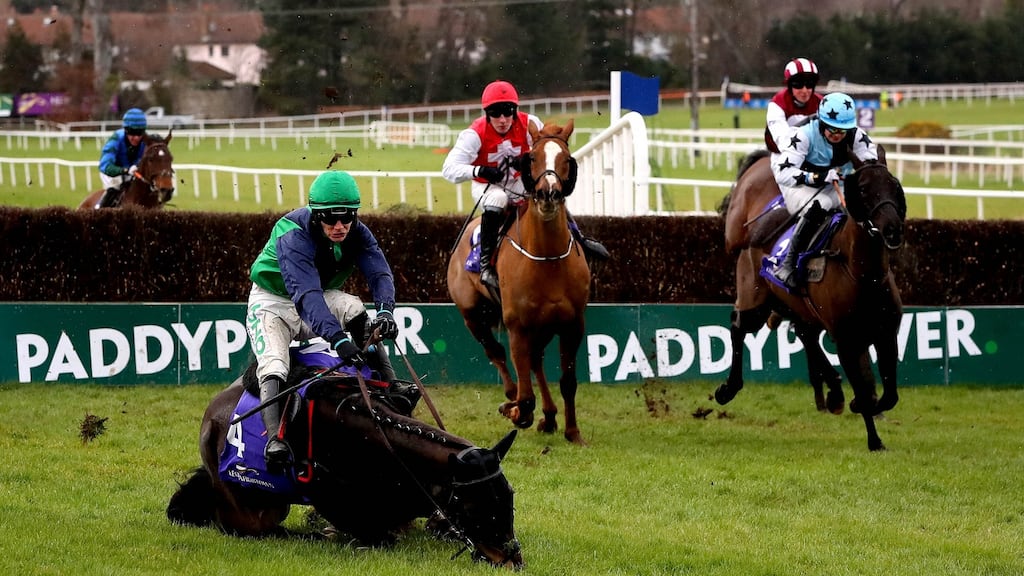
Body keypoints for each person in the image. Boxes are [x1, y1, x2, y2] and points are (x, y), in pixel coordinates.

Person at [245, 170, 401, 470]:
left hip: (316, 297)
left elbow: (379, 273)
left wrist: (385, 312)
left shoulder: (358, 231)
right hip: (272, 303)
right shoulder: (292, 234)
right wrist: (339, 341)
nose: (340, 227)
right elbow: (307, 296)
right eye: (331, 219)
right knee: (276, 362)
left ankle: (390, 386)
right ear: (316, 216)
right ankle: (275, 439)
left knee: (354, 307)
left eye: (347, 218)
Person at [441, 80, 609, 291]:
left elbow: (548, 145)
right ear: (487, 114)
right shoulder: (474, 134)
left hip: (521, 183)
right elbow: (448, 169)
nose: (502, 119)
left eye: (508, 112)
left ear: (515, 110)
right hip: (488, 186)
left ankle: (580, 238)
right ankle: (485, 265)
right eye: (495, 113)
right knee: (498, 199)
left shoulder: (531, 122)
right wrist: (479, 170)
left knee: (548, 189)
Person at [770, 91, 878, 290]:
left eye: (842, 131)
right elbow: (783, 174)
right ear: (821, 122)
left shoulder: (856, 136)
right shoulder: (802, 135)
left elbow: (872, 164)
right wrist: (816, 177)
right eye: (832, 129)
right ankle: (788, 264)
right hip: (798, 185)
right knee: (822, 204)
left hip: (835, 183)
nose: (837, 135)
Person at [764, 58, 823, 153]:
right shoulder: (777, 103)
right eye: (798, 84)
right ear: (789, 85)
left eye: (809, 84)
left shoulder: (822, 103)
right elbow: (782, 139)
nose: (804, 90)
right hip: (783, 153)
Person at [96, 108, 149, 208]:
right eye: (132, 132)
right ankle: (99, 210)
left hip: (133, 171)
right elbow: (105, 166)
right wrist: (125, 170)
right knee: (116, 185)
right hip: (111, 173)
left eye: (139, 133)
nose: (136, 137)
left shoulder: (146, 140)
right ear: (126, 130)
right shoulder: (116, 139)